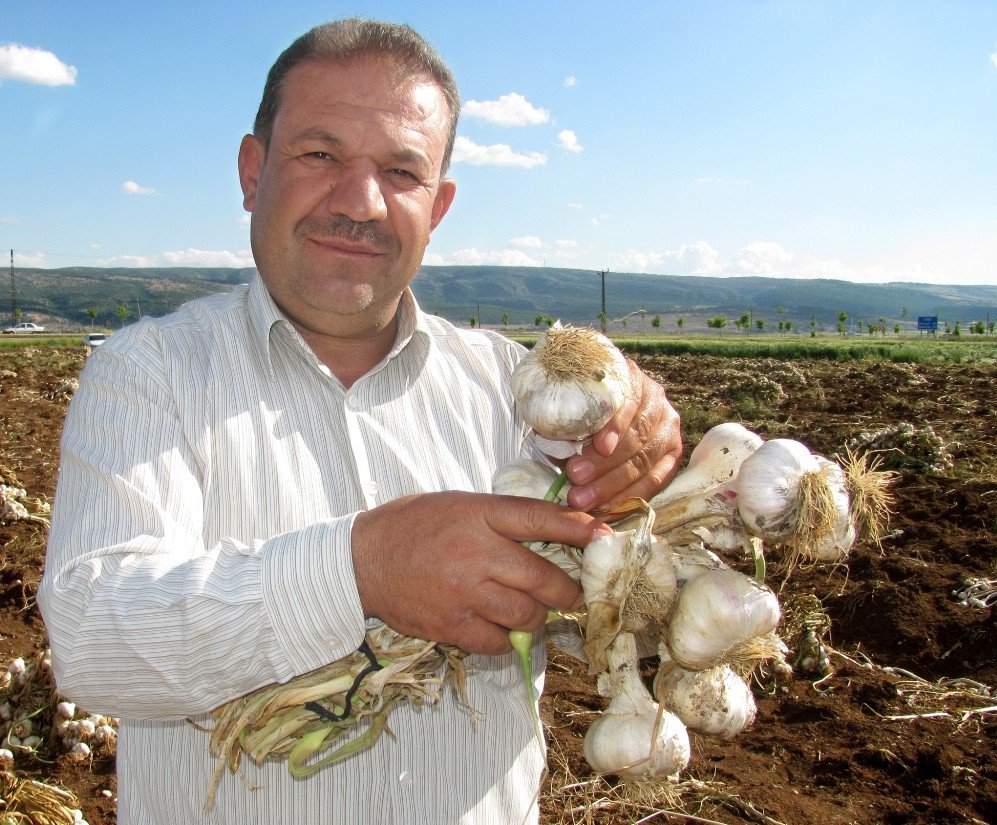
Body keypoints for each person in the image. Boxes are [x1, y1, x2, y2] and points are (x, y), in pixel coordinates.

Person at [38, 18, 682, 825]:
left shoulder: (510, 387)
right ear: (251, 170)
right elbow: (94, 638)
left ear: (439, 205)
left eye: (402, 171)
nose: (360, 202)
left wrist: (644, 451)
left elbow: (635, 603)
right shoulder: (146, 373)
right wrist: (363, 566)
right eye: (320, 155)